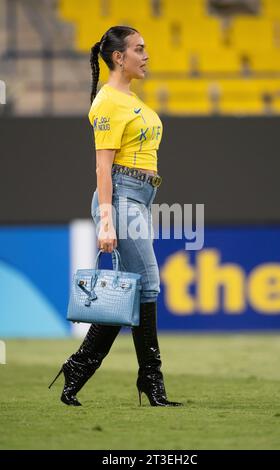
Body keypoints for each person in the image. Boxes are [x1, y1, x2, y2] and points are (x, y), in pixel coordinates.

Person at [49, 26, 182, 408]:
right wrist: (106, 220)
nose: (146, 55)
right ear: (119, 57)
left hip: (141, 198)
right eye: (139, 49)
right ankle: (151, 382)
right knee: (149, 284)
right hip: (121, 197)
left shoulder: (128, 99)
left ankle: (79, 367)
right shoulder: (108, 102)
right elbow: (102, 169)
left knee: (134, 290)